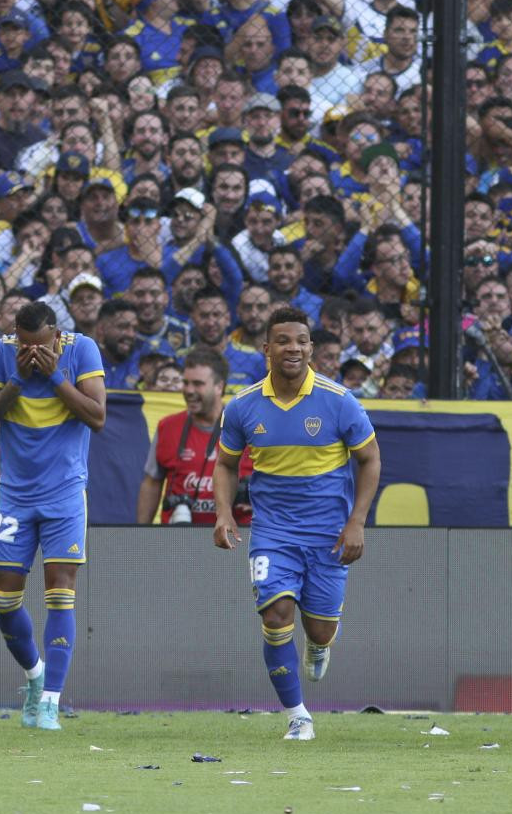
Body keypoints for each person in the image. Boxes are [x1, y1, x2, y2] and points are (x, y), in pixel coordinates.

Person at [212, 306, 381, 741]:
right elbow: (226, 465)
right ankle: (298, 716)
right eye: (283, 341)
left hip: (329, 532)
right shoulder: (243, 406)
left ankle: (320, 644)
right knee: (275, 614)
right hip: (273, 531)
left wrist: (357, 521)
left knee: (319, 627)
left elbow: (369, 459)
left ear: (312, 348)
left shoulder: (339, 401)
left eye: (302, 341)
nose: (294, 348)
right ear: (266, 349)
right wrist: (225, 512)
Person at [0, 302, 107, 732]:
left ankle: (50, 701)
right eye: (24, 344)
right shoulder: (1, 353)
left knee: (60, 591)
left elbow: (98, 417)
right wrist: (16, 381)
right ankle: (34, 676)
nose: (32, 351)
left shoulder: (82, 350)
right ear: (15, 334)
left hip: (65, 494)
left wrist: (53, 377)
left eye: (40, 344)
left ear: (57, 334)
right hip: (14, 496)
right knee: (4, 600)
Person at [137, 348, 228, 525]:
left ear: (219, 387)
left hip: (233, 539)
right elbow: (152, 483)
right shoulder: (167, 427)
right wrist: (142, 535)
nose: (189, 390)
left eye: (198, 384)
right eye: (185, 383)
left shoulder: (245, 430)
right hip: (178, 541)